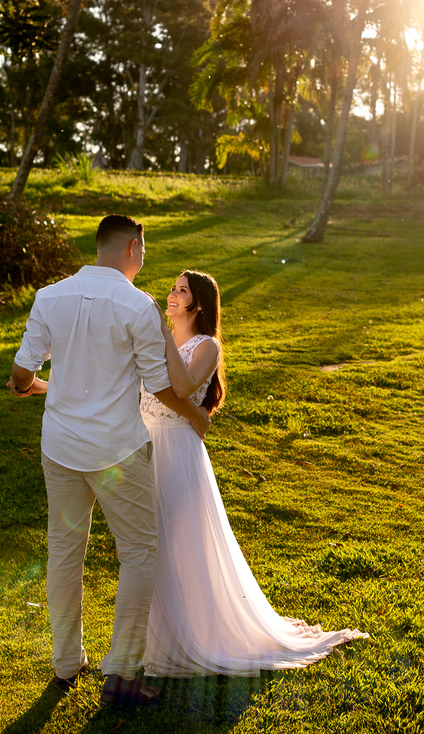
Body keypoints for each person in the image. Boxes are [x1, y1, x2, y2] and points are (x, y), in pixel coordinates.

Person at [8, 215, 209, 708]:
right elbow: (162, 383)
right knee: (139, 553)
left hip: (60, 448)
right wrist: (195, 413)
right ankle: (120, 673)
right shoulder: (137, 305)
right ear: (132, 248)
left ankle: (65, 663)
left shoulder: (49, 296)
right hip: (116, 452)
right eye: (144, 250)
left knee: (64, 551)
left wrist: (34, 387)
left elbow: (19, 373)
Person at [140, 270, 368, 677]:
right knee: (150, 542)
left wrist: (160, 335)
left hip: (178, 451)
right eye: (173, 290)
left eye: (181, 291)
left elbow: (182, 385)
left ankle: (193, 636)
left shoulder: (205, 345)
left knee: (180, 542)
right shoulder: (161, 340)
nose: (172, 295)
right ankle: (153, 635)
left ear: (199, 304)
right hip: (146, 448)